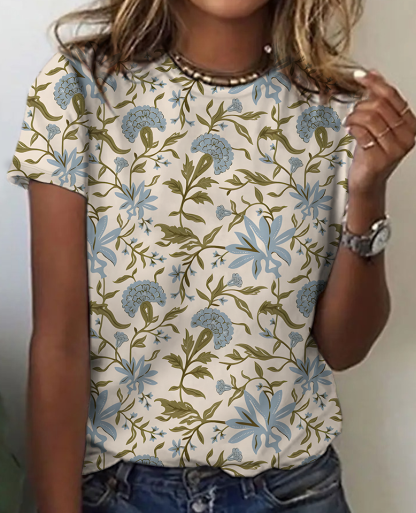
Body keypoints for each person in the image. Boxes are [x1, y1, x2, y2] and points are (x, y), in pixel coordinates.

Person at [5, 0, 416, 512]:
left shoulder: (340, 109)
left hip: (294, 489)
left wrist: (369, 192)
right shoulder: (80, 88)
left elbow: (344, 348)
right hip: (118, 492)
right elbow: (58, 344)